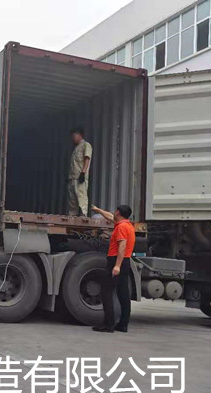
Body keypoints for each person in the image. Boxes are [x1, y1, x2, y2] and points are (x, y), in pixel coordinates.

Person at [91, 204, 136, 333]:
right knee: (123, 293)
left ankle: (108, 324)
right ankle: (123, 324)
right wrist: (98, 210)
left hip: (117, 261)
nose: (113, 213)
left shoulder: (121, 227)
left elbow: (122, 246)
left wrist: (117, 266)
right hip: (125, 261)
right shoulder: (127, 225)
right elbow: (110, 217)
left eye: (115, 211)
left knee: (106, 291)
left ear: (118, 212)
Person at [68, 127, 92, 216]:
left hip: (80, 177)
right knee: (72, 201)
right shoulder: (75, 148)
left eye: (73, 136)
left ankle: (83, 217)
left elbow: (87, 158)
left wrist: (83, 172)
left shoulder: (86, 145)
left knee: (81, 198)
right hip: (73, 178)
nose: (72, 138)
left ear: (79, 135)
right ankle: (72, 217)